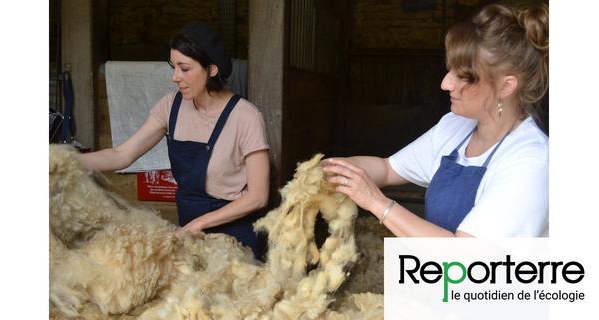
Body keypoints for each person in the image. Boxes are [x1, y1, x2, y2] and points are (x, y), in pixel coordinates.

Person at [323, 4, 549, 238]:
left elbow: (467, 262)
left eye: (463, 77)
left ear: (505, 86)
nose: (445, 84)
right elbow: (387, 169)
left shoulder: (531, 163)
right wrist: (324, 171)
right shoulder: (455, 127)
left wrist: (378, 204)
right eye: (450, 70)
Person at [79, 22, 270, 257]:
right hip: (189, 230)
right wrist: (63, 159)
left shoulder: (246, 117)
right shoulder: (172, 106)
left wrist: (199, 224)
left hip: (236, 236)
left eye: (184, 68)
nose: (174, 77)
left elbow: (258, 196)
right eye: (173, 67)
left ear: (212, 69)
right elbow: (121, 155)